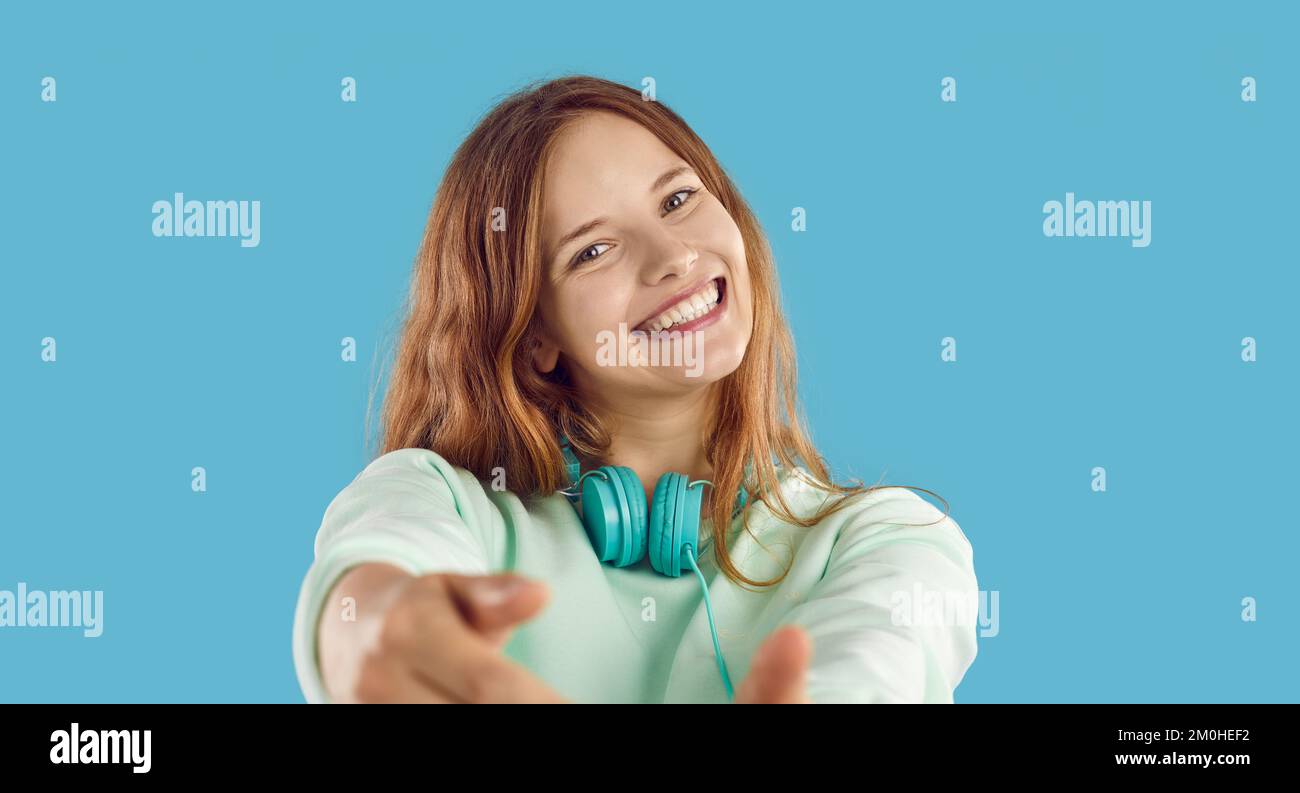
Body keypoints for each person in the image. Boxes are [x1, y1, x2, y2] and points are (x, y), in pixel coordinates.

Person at [290, 75, 979, 704]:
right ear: (536, 338)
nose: (673, 256)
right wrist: (372, 633)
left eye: (677, 199)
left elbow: (875, 663)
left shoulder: (889, 539)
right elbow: (369, 585)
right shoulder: (438, 499)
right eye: (593, 250)